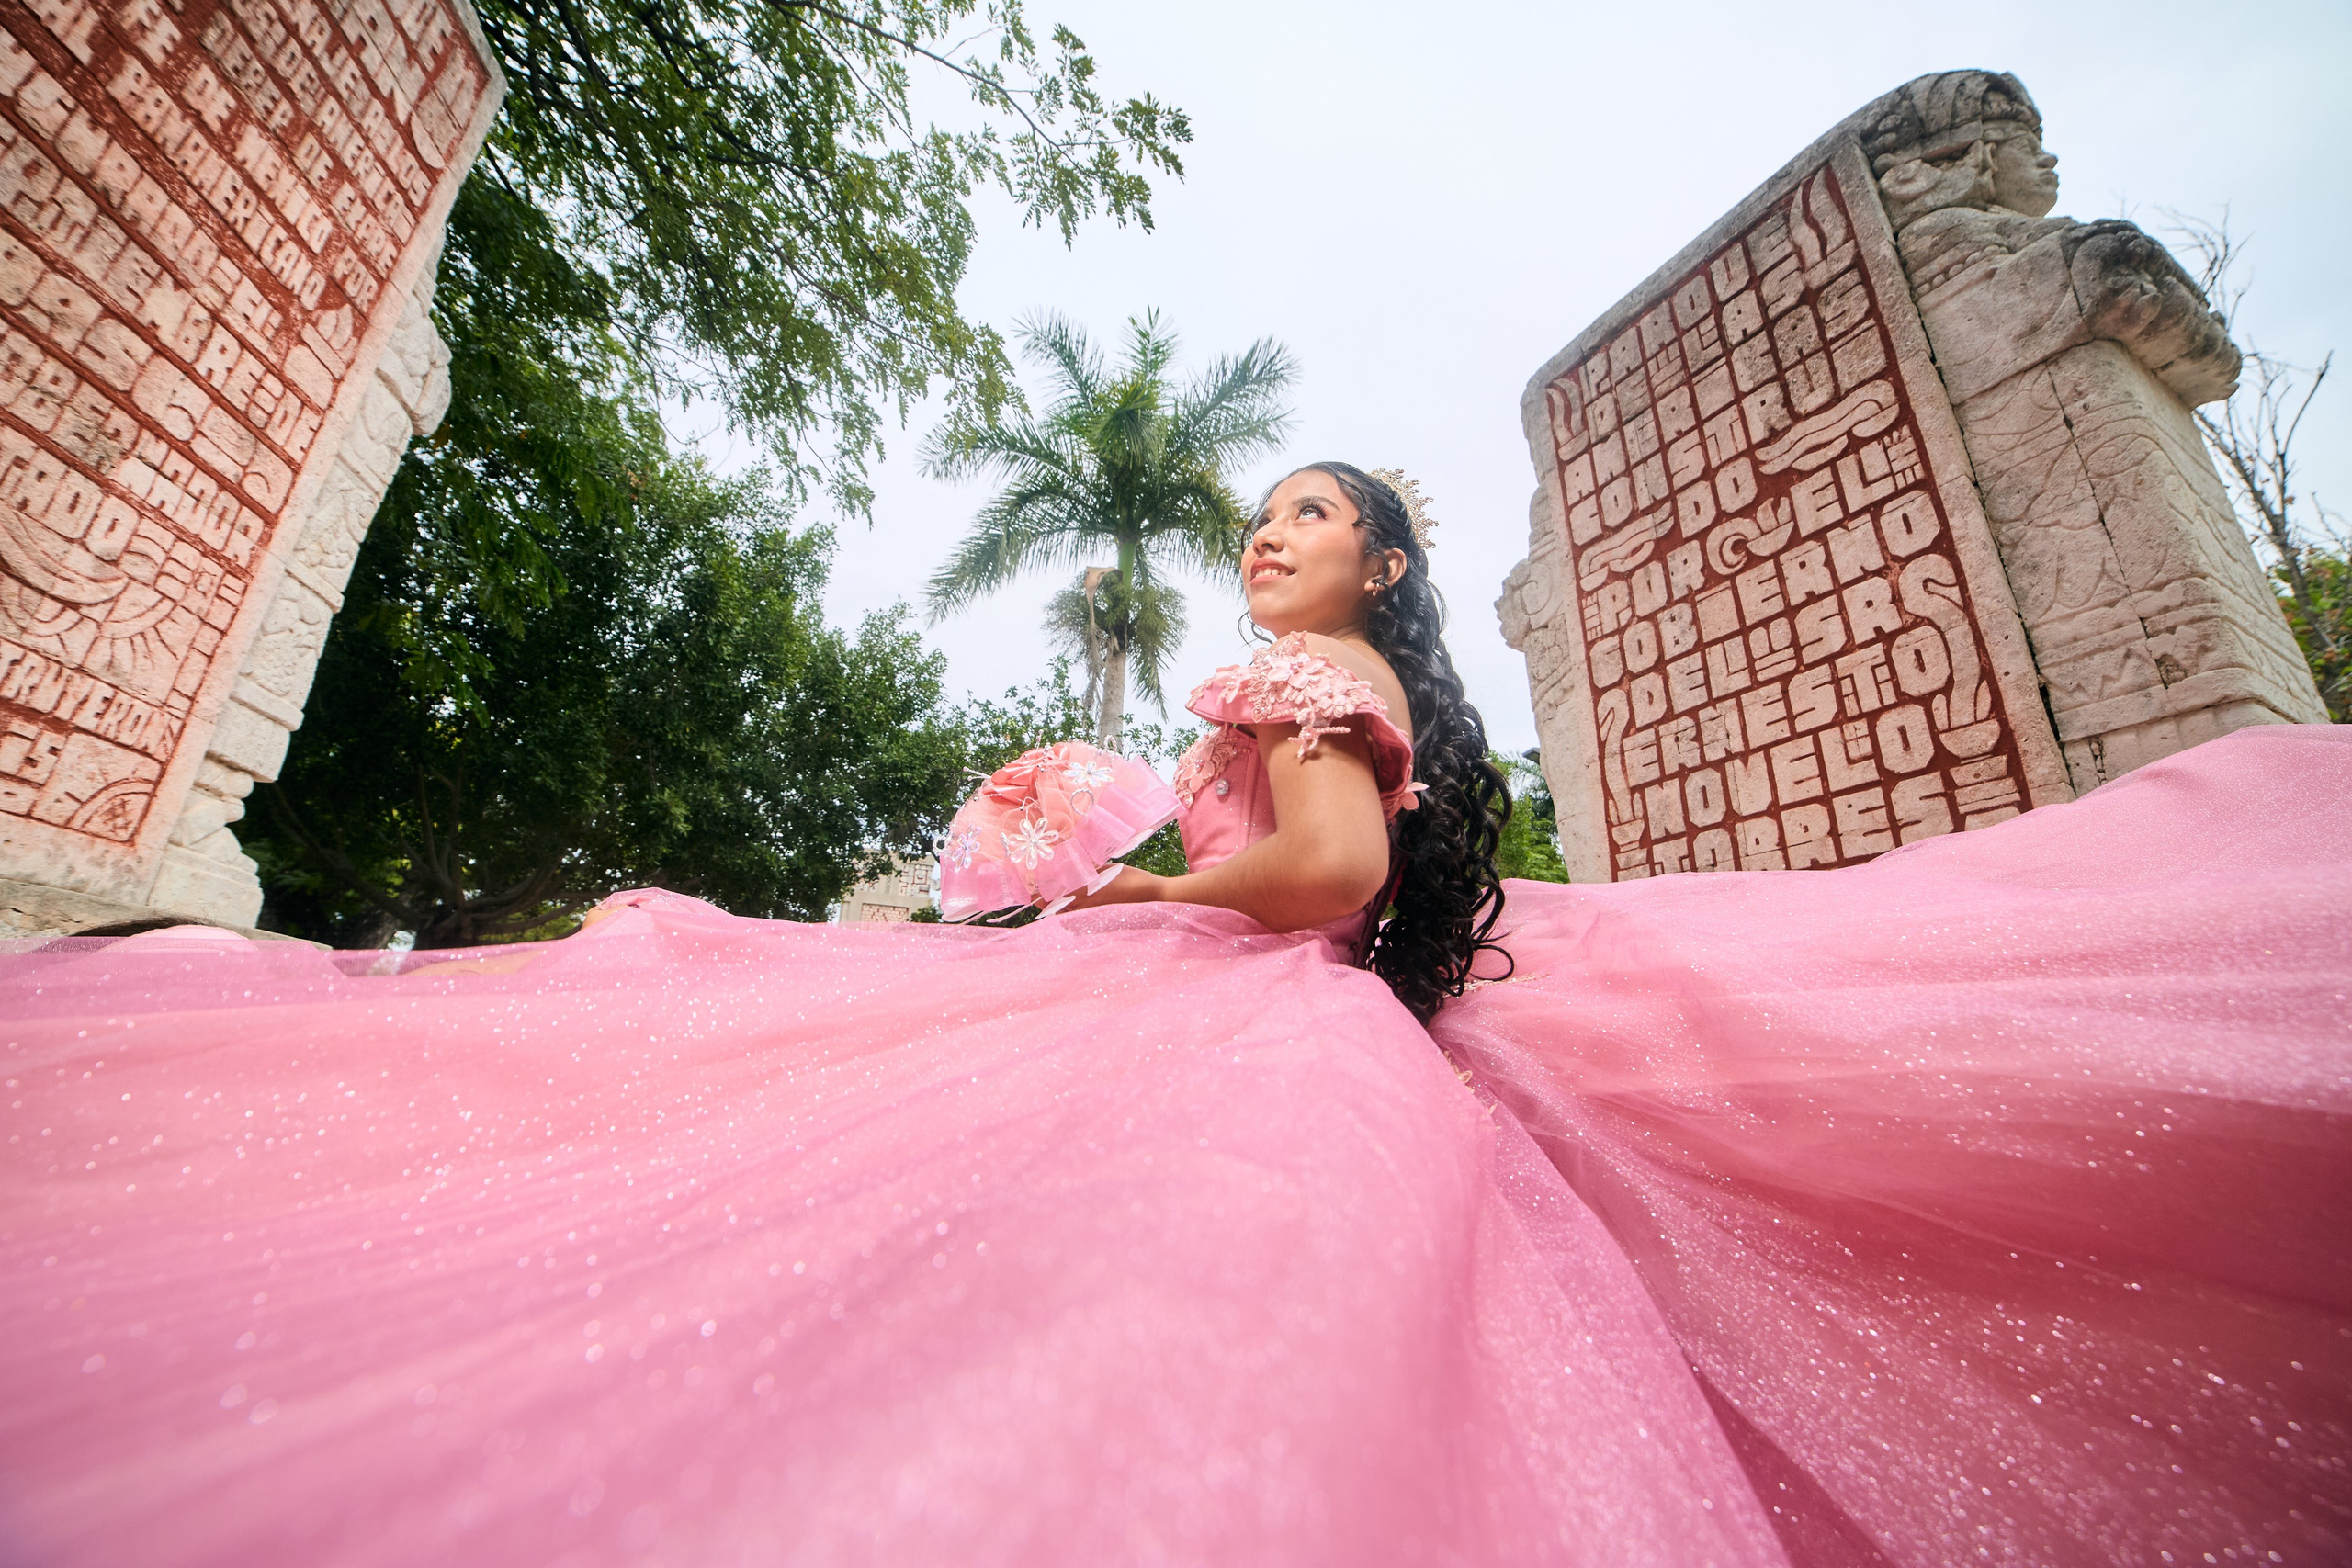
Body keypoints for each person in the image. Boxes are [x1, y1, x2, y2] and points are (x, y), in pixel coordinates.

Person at [2, 467, 2346, 1568]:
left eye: (1308, 513)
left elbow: (1314, 874)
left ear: (1380, 570)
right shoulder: (1319, 679)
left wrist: (1127, 866)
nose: (1266, 532)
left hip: (1236, 1005)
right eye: (1258, 515)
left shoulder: (1306, 679)